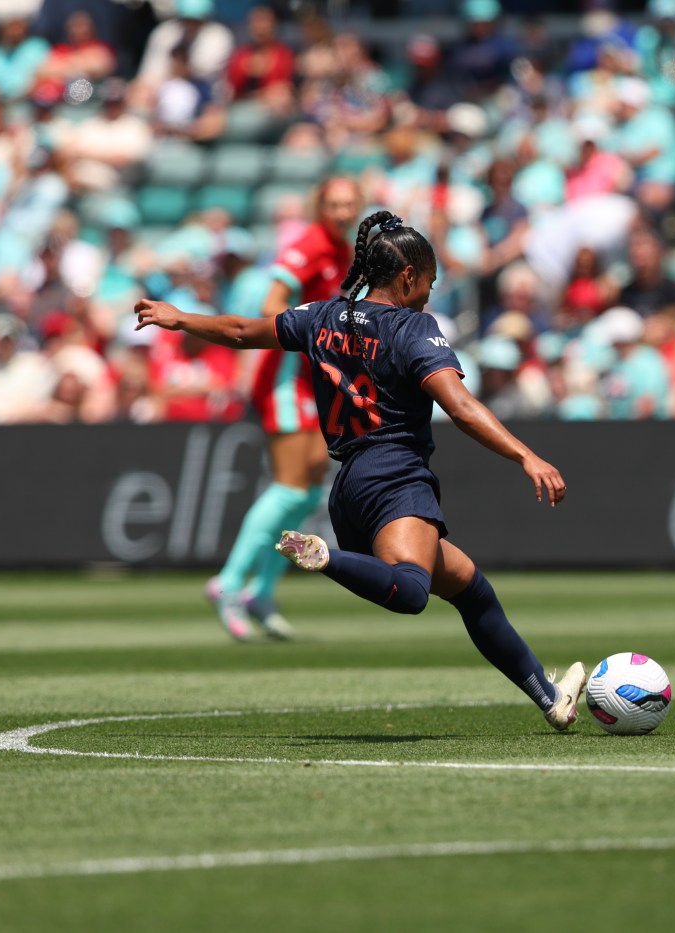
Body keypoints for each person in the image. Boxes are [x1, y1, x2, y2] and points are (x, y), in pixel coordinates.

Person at [134, 210, 587, 732]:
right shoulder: (414, 328)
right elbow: (460, 407)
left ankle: (551, 698)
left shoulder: (322, 315)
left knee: (470, 589)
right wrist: (526, 456)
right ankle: (325, 557)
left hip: (349, 485)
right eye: (429, 282)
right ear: (408, 276)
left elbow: (240, 331)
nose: (429, 294)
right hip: (395, 474)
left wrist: (181, 318)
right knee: (412, 592)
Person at [200, 177, 362, 642]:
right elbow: (273, 301)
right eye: (333, 204)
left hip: (314, 379)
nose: (341, 212)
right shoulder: (310, 244)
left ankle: (262, 590)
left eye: (348, 204)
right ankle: (230, 582)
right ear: (320, 206)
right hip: (287, 378)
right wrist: (311, 332)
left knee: (308, 492)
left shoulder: (343, 251)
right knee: (291, 488)